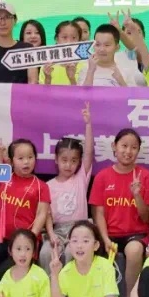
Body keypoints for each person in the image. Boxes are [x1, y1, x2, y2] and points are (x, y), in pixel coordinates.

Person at [0, 123, 51, 297]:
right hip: (2, 238)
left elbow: (42, 214)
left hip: (26, 240)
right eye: (20, 158)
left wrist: (30, 237)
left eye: (30, 157)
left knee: (19, 272)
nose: (26, 162)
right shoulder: (4, 176)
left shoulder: (41, 186)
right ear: (12, 161)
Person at [90, 128, 149, 297]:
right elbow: (98, 213)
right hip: (108, 234)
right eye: (124, 146)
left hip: (136, 234)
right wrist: (105, 239)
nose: (128, 151)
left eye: (133, 147)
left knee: (134, 251)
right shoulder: (102, 176)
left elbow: (147, 217)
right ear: (114, 147)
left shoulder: (145, 176)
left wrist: (137, 195)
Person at [41, 221, 125, 297]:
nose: (79, 246)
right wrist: (55, 274)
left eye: (85, 241)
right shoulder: (66, 270)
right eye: (74, 241)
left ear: (96, 245)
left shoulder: (105, 266)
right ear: (69, 245)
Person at [42, 104, 93, 269]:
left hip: (79, 228)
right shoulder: (47, 186)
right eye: (64, 160)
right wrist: (51, 234)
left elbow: (89, 153)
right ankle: (52, 284)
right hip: (57, 230)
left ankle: (73, 285)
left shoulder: (80, 179)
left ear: (79, 162)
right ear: (56, 159)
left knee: (73, 253)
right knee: (46, 253)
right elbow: (46, 214)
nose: (68, 165)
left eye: (73, 161)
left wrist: (88, 124)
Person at [41, 21, 84, 85]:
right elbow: (43, 91)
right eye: (64, 37)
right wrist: (48, 78)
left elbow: (84, 91)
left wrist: (72, 79)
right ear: (57, 39)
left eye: (74, 38)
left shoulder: (85, 65)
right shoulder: (47, 65)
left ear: (79, 41)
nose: (69, 42)